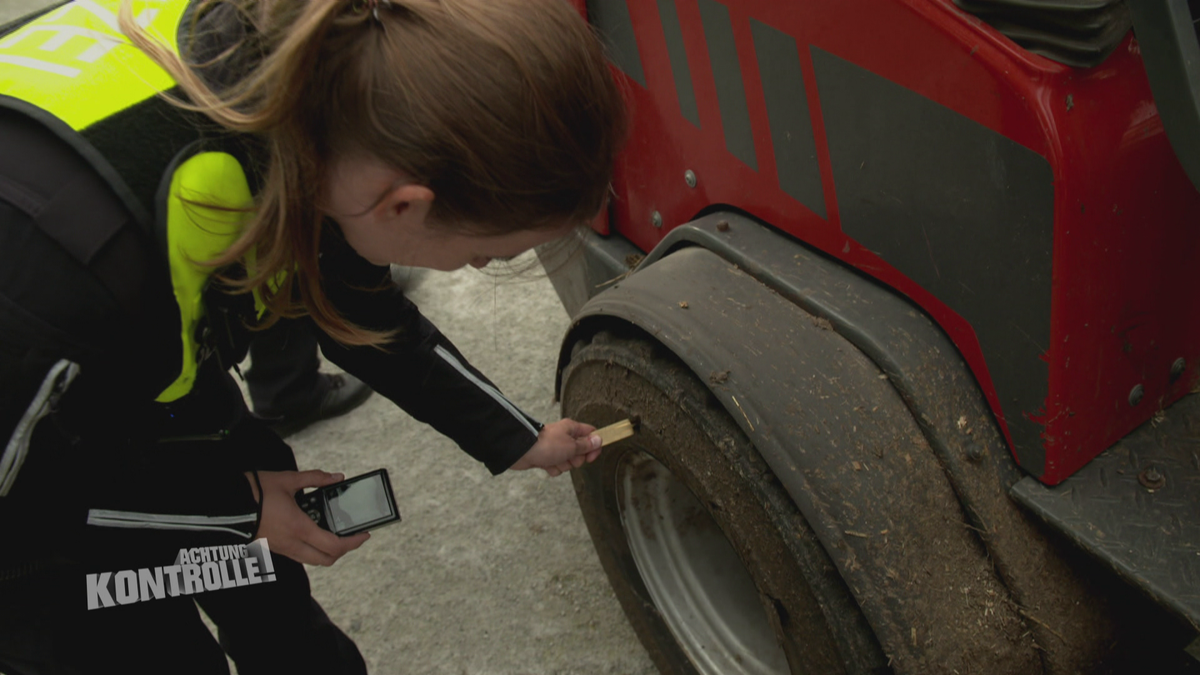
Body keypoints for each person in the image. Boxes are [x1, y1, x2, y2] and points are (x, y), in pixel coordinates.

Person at [0, 0, 626, 673]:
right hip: (35, 502)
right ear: (405, 206)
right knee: (140, 628)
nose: (479, 267)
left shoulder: (333, 100)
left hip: (150, 390)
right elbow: (32, 507)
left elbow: (366, 318)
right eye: (486, 257)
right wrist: (234, 506)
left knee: (272, 605)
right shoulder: (60, 272)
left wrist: (516, 435)